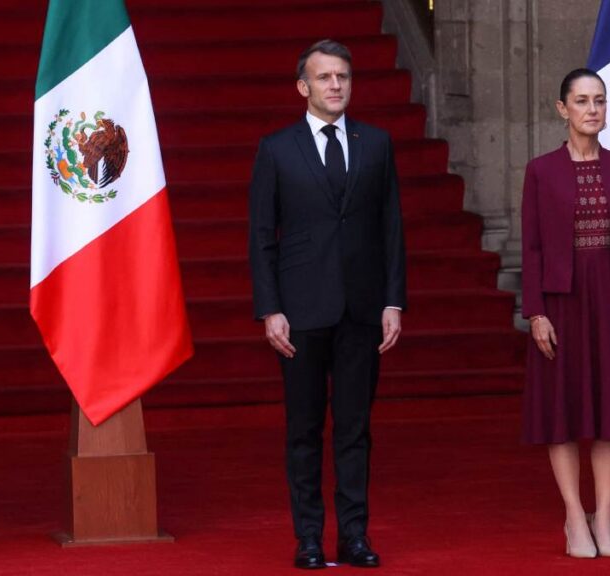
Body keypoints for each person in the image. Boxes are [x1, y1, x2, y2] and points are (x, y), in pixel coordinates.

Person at [248, 39, 407, 570]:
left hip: (362, 310)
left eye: (342, 76)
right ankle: (309, 538)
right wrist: (270, 308)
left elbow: (391, 229)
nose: (335, 85)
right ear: (303, 86)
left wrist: (393, 301)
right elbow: (261, 237)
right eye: (324, 77)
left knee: (356, 428)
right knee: (304, 429)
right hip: (300, 312)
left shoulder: (376, 144)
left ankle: (355, 536)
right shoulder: (276, 149)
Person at [520, 68, 610, 559]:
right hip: (560, 303)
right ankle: (574, 515)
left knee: (609, 413)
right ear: (563, 109)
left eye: (599, 100)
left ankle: (604, 516)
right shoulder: (540, 170)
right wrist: (535, 312)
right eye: (581, 101)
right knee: (562, 412)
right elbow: (531, 248)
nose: (592, 110)